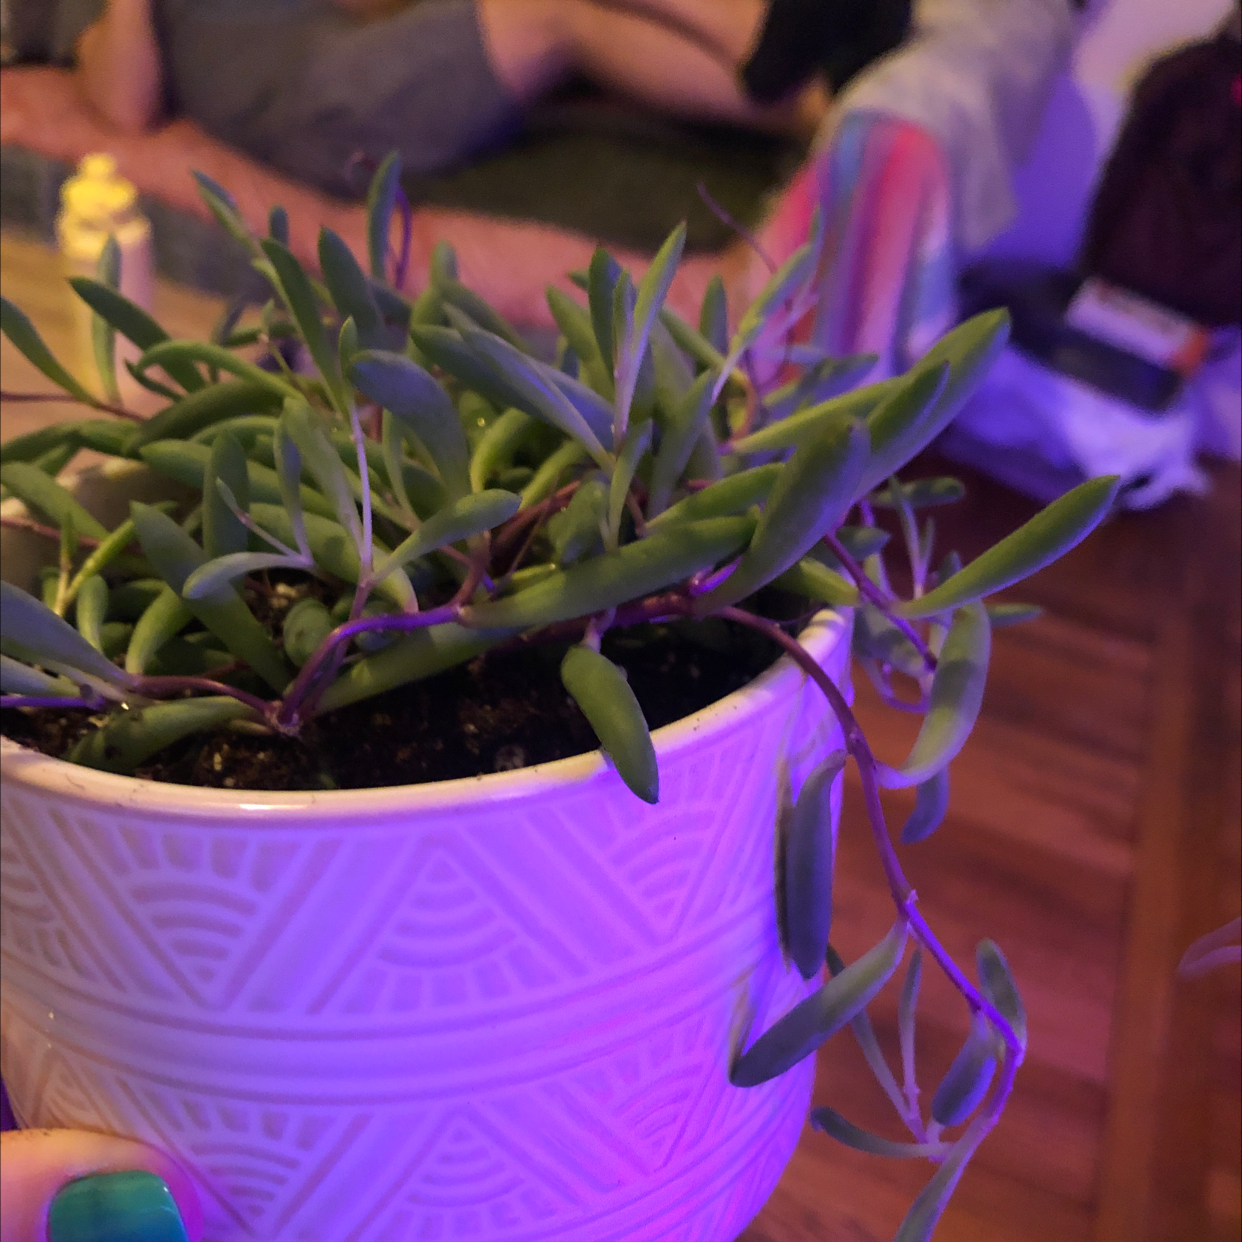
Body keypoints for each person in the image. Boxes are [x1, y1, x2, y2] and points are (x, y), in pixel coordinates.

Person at [71, 0, 897, 199]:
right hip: (324, 108)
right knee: (550, 14)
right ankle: (807, 79)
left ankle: (813, 69)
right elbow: (123, 105)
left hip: (348, 57)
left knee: (565, 14)